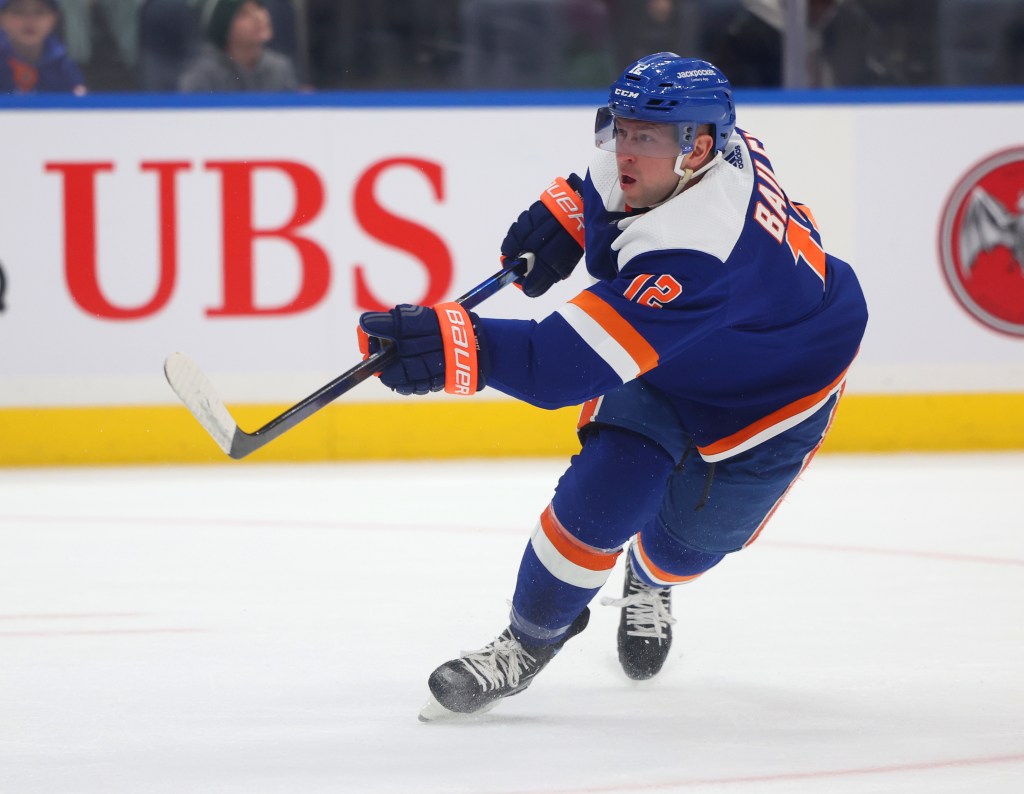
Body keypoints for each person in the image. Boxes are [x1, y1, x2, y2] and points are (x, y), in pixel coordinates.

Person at [357, 52, 869, 721]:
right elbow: (611, 181)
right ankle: (526, 642)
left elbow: (556, 368)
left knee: (685, 547)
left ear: (699, 149)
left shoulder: (701, 248)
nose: (625, 150)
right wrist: (574, 210)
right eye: (620, 129)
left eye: (645, 139)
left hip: (774, 396)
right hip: (677, 354)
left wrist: (458, 341)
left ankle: (649, 579)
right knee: (605, 494)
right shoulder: (700, 153)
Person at [178, 0, 297, 92]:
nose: (259, 17)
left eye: (260, 7)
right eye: (243, 14)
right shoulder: (202, 77)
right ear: (223, 27)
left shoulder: (280, 69)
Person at [0, 0, 85, 94]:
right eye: (18, 12)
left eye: (40, 12)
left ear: (54, 18)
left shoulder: (63, 66)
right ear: (1, 18)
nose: (30, 20)